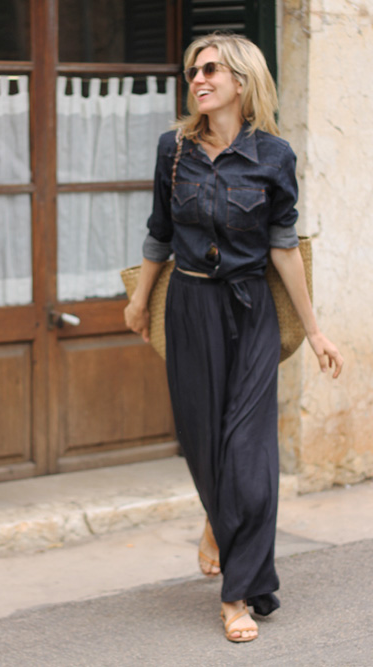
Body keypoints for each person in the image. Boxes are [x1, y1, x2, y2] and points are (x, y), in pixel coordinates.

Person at [123, 32, 344, 643]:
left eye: (212, 69)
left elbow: (283, 247)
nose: (198, 78)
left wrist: (317, 329)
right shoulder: (174, 150)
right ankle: (217, 521)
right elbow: (159, 233)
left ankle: (236, 595)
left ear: (242, 83)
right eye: (195, 69)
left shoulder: (273, 156)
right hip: (190, 305)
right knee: (204, 442)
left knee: (250, 458)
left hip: (251, 313)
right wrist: (141, 300)